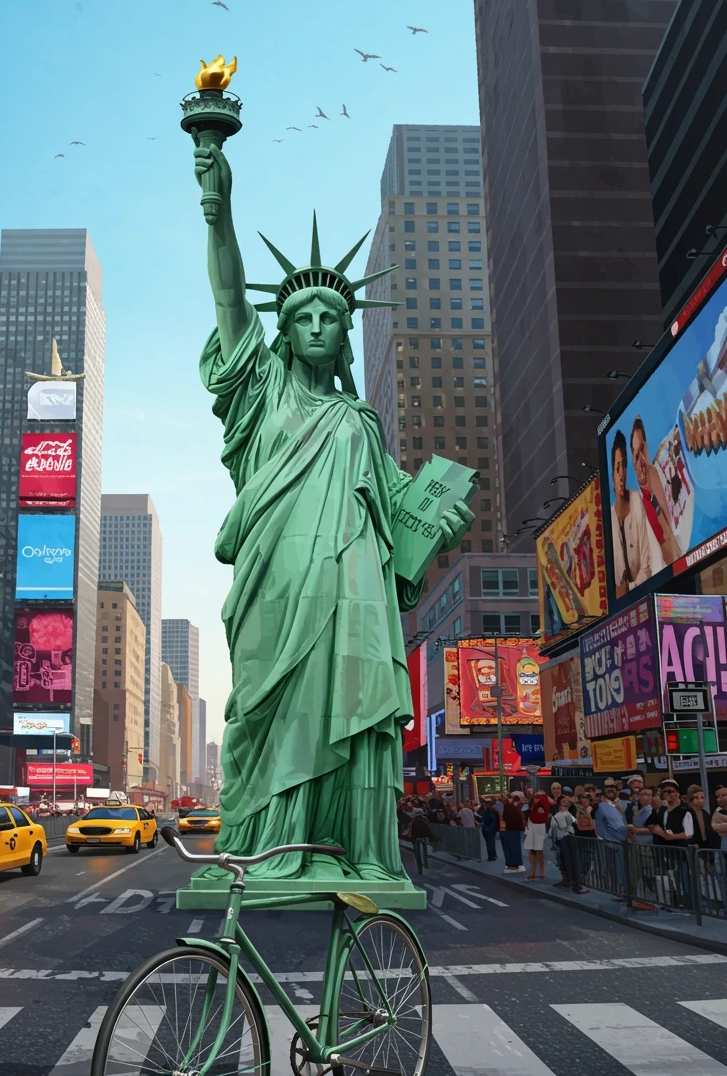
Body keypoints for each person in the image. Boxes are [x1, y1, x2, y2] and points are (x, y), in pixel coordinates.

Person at [190, 134, 473, 885]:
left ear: (345, 332)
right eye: (303, 317)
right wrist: (218, 210)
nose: (317, 326)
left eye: (329, 317)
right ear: (282, 332)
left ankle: (362, 854)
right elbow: (227, 298)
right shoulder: (261, 394)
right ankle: (262, 850)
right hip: (277, 582)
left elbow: (397, 524)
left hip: (353, 589)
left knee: (359, 710)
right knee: (265, 710)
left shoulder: (362, 424)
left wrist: (438, 523)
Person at [610, 428, 663, 597]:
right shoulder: (609, 518)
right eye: (617, 467)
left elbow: (647, 564)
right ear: (612, 473)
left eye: (624, 466)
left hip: (647, 593)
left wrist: (628, 589)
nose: (622, 474)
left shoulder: (636, 500)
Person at [630, 415, 680, 566]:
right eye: (635, 454)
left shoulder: (658, 476)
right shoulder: (636, 504)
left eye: (642, 450)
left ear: (647, 449)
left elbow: (672, 541)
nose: (640, 462)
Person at [550, 796, 589, 893]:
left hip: (569, 838)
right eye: (563, 800)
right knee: (565, 861)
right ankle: (569, 881)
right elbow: (552, 829)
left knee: (573, 861)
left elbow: (579, 822)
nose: (564, 801)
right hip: (560, 839)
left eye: (567, 800)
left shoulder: (570, 814)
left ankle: (577, 885)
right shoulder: (558, 814)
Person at [525, 788, 553, 880]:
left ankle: (541, 873)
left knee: (539, 850)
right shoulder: (531, 804)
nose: (537, 798)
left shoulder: (544, 803)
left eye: (540, 796)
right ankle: (534, 872)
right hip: (531, 826)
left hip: (539, 826)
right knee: (532, 850)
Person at [499, 791, 526, 873]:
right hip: (513, 829)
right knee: (515, 847)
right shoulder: (513, 808)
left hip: (510, 829)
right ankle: (515, 863)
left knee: (511, 847)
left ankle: (512, 864)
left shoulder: (508, 807)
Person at [479, 794, 500, 862]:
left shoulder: (490, 810)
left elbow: (493, 820)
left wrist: (489, 828)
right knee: (490, 843)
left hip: (489, 829)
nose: (484, 804)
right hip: (488, 828)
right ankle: (492, 855)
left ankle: (492, 856)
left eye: (485, 803)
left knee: (490, 843)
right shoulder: (488, 810)